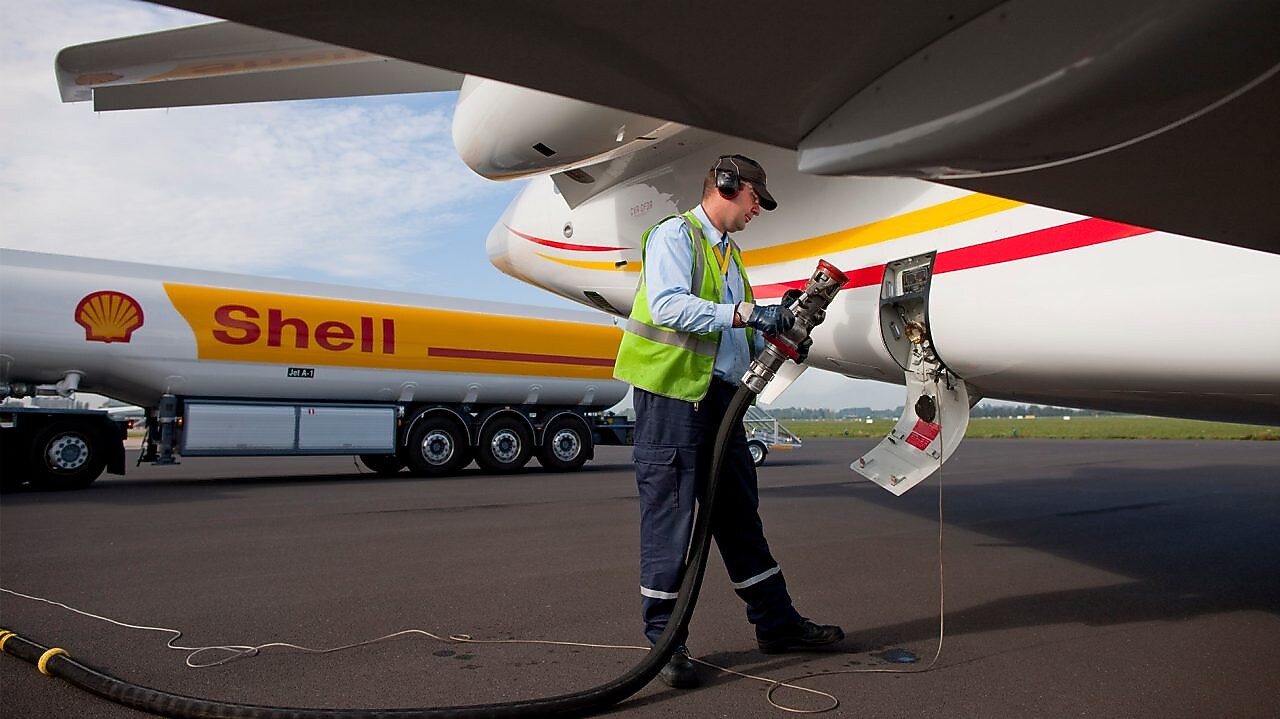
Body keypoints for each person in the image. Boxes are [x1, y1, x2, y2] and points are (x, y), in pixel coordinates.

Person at [613, 154, 844, 689]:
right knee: (672, 522)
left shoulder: (731, 258)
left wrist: (777, 325)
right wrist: (746, 314)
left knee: (739, 514)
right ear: (726, 185)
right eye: (755, 198)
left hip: (720, 401)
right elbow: (670, 307)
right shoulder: (676, 236)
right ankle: (664, 644)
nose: (758, 209)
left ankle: (776, 623)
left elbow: (734, 338)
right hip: (671, 400)